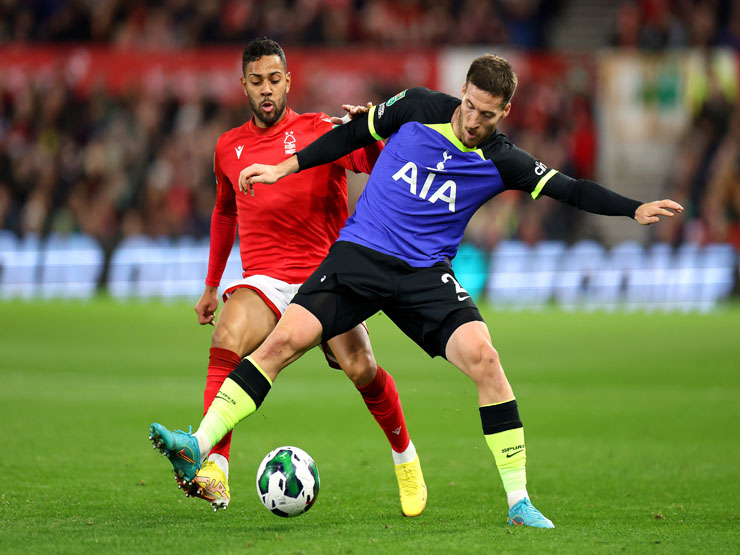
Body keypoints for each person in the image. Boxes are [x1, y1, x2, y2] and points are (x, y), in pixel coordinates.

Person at [150, 54, 683, 527]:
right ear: (463, 93)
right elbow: (351, 138)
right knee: (280, 344)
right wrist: (283, 168)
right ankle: (200, 445)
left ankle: (518, 502)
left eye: (488, 114)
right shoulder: (420, 105)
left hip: (424, 275)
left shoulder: (502, 158)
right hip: (359, 256)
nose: (474, 121)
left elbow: (571, 187)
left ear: (505, 113)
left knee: (485, 359)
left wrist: (632, 207)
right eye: (470, 107)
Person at [154, 38, 427, 517]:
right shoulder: (228, 147)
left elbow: (378, 164)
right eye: (256, 81)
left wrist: (370, 131)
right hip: (265, 280)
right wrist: (211, 284)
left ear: (288, 80)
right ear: (243, 85)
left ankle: (405, 459)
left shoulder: (321, 129)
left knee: (361, 368)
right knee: (227, 336)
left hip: (326, 278)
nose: (266, 90)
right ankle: (215, 468)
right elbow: (224, 212)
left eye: (274, 80)